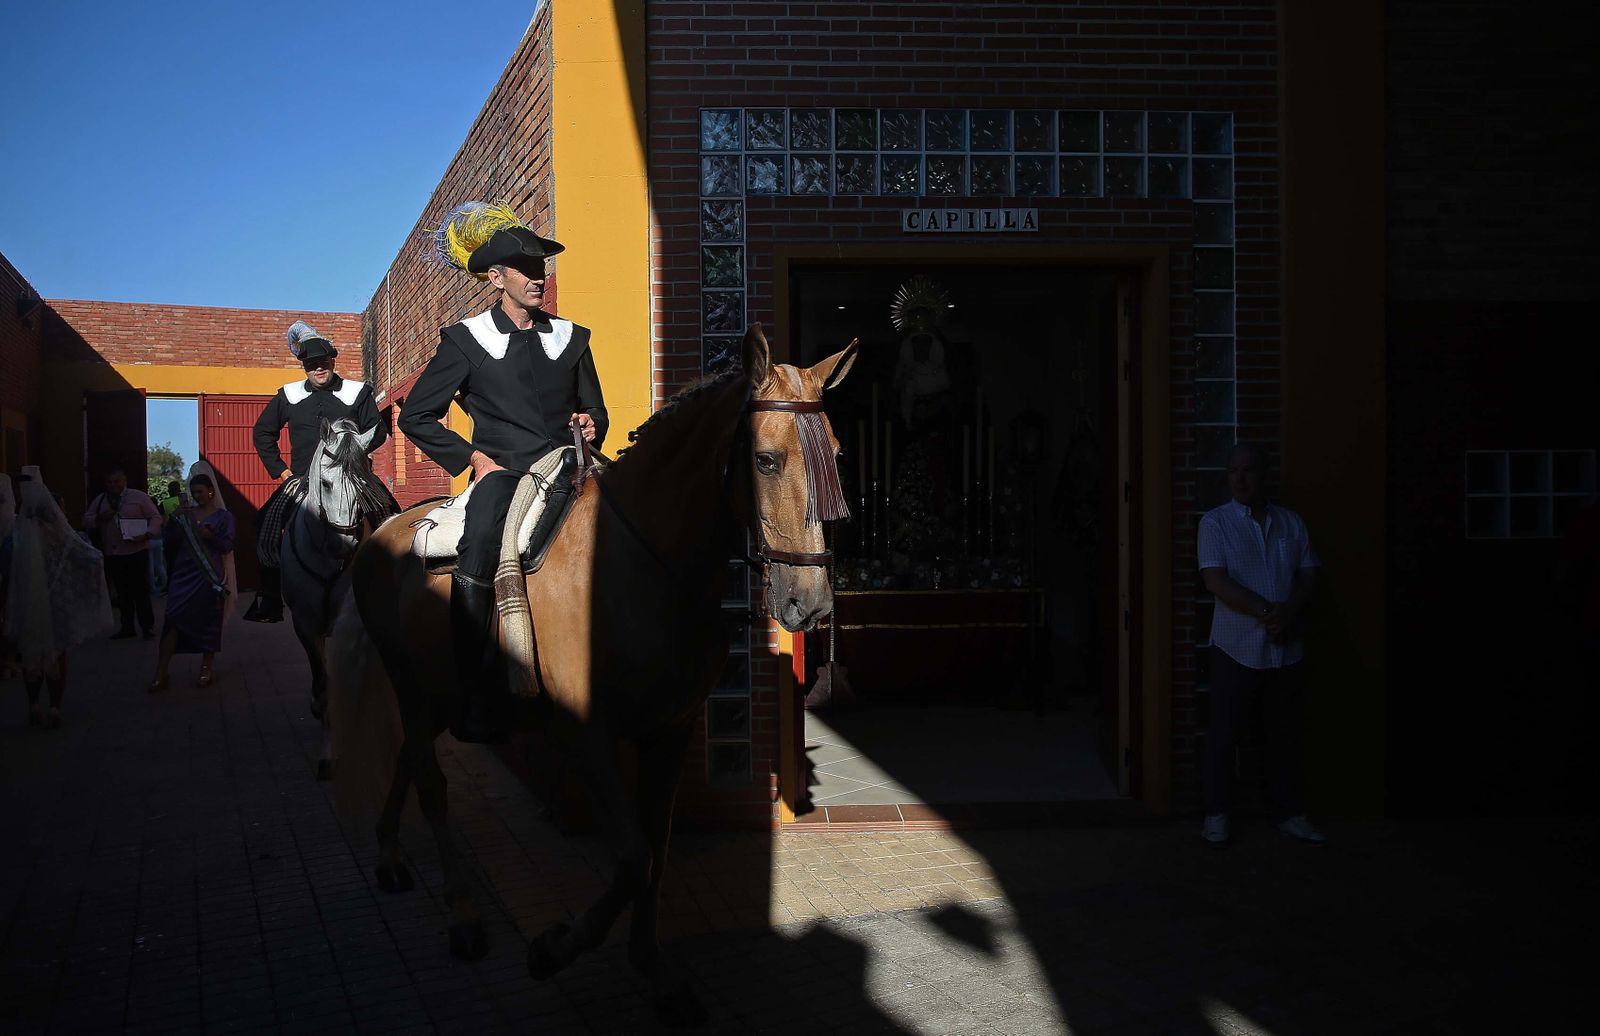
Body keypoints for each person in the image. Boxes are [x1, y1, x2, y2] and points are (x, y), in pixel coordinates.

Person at [398, 201, 608, 743]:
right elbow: (416, 415)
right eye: (526, 269)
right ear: (496, 278)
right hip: (503, 472)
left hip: (570, 465)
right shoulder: (465, 340)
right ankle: (474, 694)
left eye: (542, 267)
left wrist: (591, 423)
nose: (539, 277)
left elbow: (595, 409)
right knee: (481, 541)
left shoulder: (573, 337)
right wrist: (472, 459)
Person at [1197, 443, 1325, 848]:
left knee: (1284, 736)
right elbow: (1216, 581)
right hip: (1235, 647)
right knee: (1224, 735)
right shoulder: (1215, 523)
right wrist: (1269, 611)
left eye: (1249, 470)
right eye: (1233, 471)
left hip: (1285, 649)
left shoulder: (1290, 522)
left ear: (1264, 474)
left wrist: (1288, 612)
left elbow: (1309, 574)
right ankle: (1217, 814)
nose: (1240, 479)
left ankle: (1290, 814)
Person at [246, 320, 387, 622]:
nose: (318, 368)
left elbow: (377, 430)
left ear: (332, 361)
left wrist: (356, 454)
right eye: (311, 364)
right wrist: (282, 472)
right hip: (301, 479)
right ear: (304, 367)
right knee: (265, 524)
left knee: (390, 514)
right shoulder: (289, 395)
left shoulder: (357, 392)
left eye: (323, 362)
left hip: (353, 477)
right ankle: (270, 598)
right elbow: (262, 432)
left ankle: (393, 584)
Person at [6, 466, 115, 727]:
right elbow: (89, 558)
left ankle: (34, 704)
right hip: (54, 601)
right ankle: (54, 706)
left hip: (26, 602)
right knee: (55, 654)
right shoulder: (62, 535)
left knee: (31, 654)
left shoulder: (17, 531)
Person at [151, 463, 237, 691]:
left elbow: (227, 545)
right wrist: (173, 521)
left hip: (209, 575)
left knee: (209, 619)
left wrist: (210, 537)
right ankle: (161, 671)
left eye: (200, 491)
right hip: (183, 573)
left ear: (211, 492)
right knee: (172, 618)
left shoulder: (224, 517)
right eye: (193, 492)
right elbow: (169, 542)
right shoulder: (185, 516)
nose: (197, 496)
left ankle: (206, 667)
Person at [83, 465, 162, 640]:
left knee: (141, 591)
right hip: (113, 552)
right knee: (122, 593)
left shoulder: (139, 497)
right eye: (110, 482)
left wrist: (148, 533)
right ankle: (127, 627)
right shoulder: (101, 500)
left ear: (124, 481)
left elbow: (155, 517)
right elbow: (87, 519)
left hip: (136, 550)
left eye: (117, 481)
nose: (113, 485)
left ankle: (147, 627)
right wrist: (99, 518)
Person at [149, 479, 183, 594]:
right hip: (182, 536)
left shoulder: (165, 503)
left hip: (170, 537)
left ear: (169, 490)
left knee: (170, 564)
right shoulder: (184, 502)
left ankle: (170, 586)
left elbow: (163, 522)